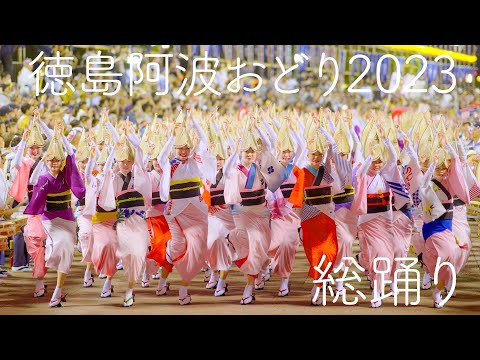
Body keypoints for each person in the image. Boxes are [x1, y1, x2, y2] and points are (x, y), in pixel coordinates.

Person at [24, 121, 86, 307]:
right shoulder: (43, 178)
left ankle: (58, 290)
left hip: (67, 220)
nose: (53, 163)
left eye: (57, 160)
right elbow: (34, 189)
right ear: (46, 161)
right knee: (57, 247)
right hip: (50, 220)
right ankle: (48, 280)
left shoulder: (67, 176)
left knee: (66, 249)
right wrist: (42, 126)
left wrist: (59, 133)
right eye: (50, 160)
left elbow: (71, 154)